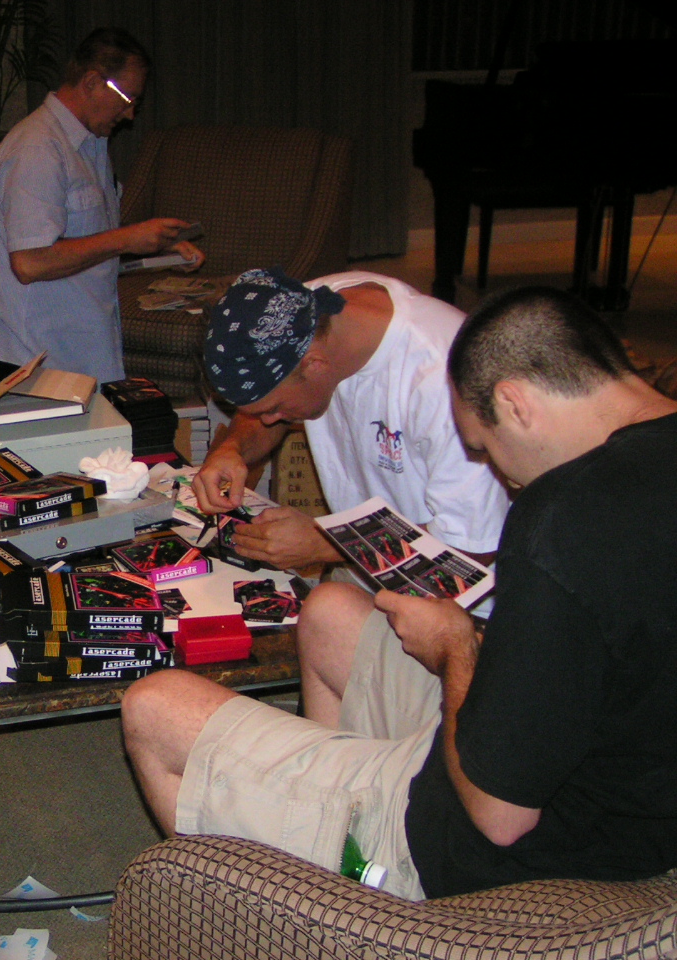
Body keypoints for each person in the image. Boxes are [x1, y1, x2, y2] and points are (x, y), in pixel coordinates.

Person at [123, 286, 677, 899]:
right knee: (331, 611)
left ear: (514, 404)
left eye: (485, 447)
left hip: (505, 849)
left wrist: (455, 650)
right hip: (604, 773)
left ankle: (341, 903)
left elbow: (499, 816)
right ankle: (328, 804)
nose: (503, 476)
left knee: (154, 706)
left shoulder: (559, 522)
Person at [193, 267, 509, 730]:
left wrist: (327, 544)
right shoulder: (308, 311)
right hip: (369, 563)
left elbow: (470, 552)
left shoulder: (444, 379)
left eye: (275, 409)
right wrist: (233, 448)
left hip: (464, 609)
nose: (271, 421)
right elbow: (260, 415)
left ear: (316, 365)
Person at [0, 27, 205, 385]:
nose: (130, 114)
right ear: (93, 82)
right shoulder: (37, 148)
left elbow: (86, 242)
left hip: (80, 349)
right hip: (36, 357)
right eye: (127, 99)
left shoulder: (90, 145)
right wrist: (126, 239)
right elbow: (30, 262)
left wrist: (157, 245)